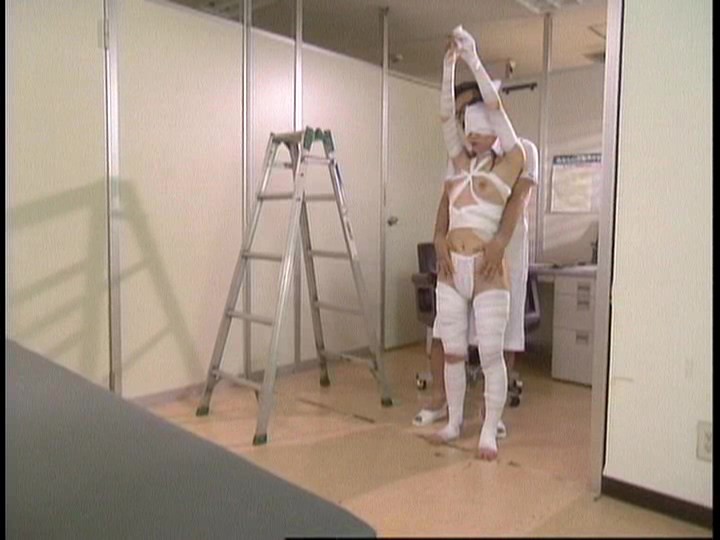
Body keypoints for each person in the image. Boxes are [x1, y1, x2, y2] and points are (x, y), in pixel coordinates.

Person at [412, 83, 539, 439]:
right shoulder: (460, 156)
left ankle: (489, 415)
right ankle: (443, 404)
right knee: (446, 335)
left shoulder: (520, 149)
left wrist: (499, 243)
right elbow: (447, 199)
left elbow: (518, 201)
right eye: (459, 112)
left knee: (499, 340)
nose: (462, 118)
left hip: (501, 253)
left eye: (466, 108)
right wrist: (439, 237)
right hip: (457, 256)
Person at [426, 25, 526, 461]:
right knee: (452, 351)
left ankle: (488, 430)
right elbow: (445, 119)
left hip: (487, 270)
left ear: (494, 134)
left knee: (489, 354)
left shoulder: (512, 161)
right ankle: (453, 422)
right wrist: (449, 64)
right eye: (469, 130)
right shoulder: (457, 163)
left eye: (479, 130)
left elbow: (497, 109)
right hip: (453, 268)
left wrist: (473, 58)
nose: (471, 135)